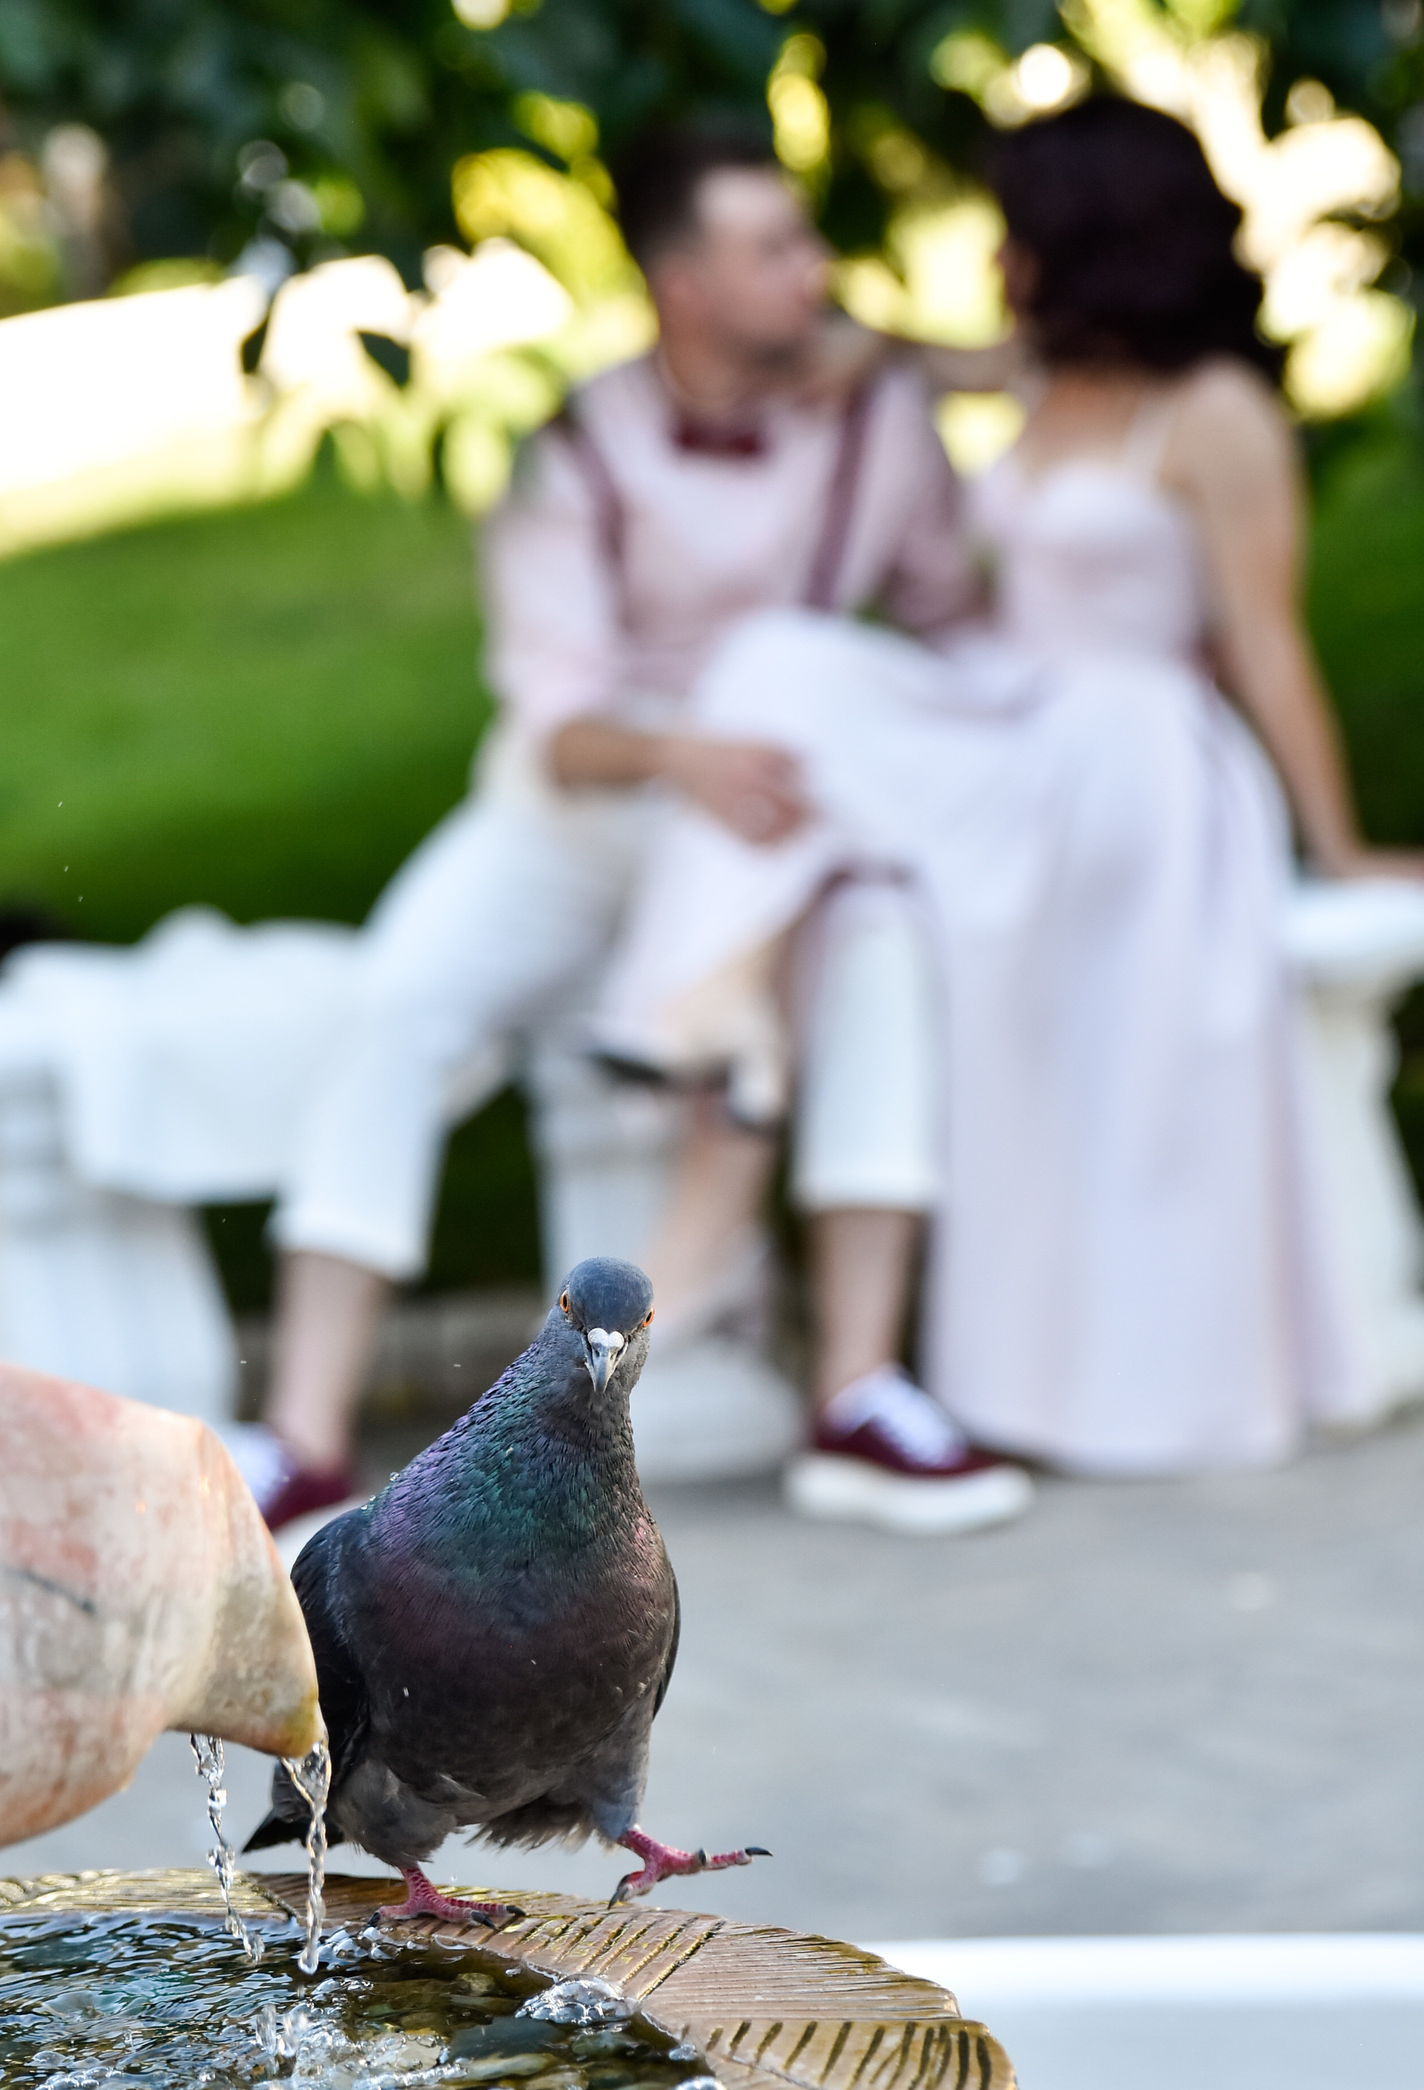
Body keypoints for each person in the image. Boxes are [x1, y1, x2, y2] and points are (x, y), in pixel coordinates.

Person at [593, 96, 1423, 1478]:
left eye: (1019, 234)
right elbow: (941, 359)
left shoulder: (1217, 415)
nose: (997, 259)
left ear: (1087, 243)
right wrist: (865, 353)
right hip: (1012, 714)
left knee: (801, 714)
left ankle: (703, 1023)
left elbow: (1268, 647)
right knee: (777, 670)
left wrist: (1335, 845)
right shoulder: (1046, 366)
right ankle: (703, 1008)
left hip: (1133, 771)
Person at [250, 124, 1031, 1534]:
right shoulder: (574, 451)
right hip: (591, 811)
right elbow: (562, 725)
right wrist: (691, 754)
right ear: (683, 286)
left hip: (775, 828)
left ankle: (858, 1392)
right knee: (405, 994)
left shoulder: (879, 420)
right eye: (777, 249)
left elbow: (948, 620)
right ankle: (299, 1432)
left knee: (877, 952)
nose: (819, 271)